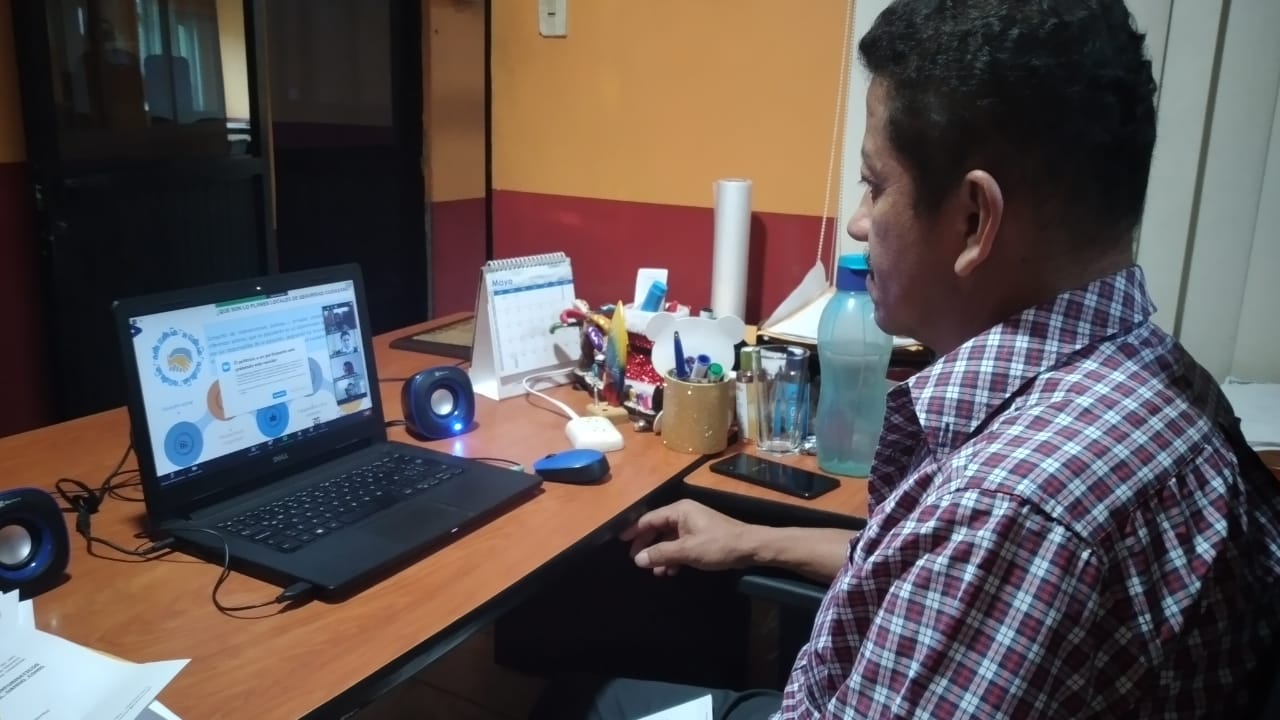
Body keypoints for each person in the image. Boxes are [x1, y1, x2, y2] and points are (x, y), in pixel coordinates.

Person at [530, 1, 1280, 718]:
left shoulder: (1015, 508)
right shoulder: (1164, 379)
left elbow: (977, 551)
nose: (859, 223)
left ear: (974, 220)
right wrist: (751, 540)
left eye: (874, 184)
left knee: (580, 701)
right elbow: (921, 563)